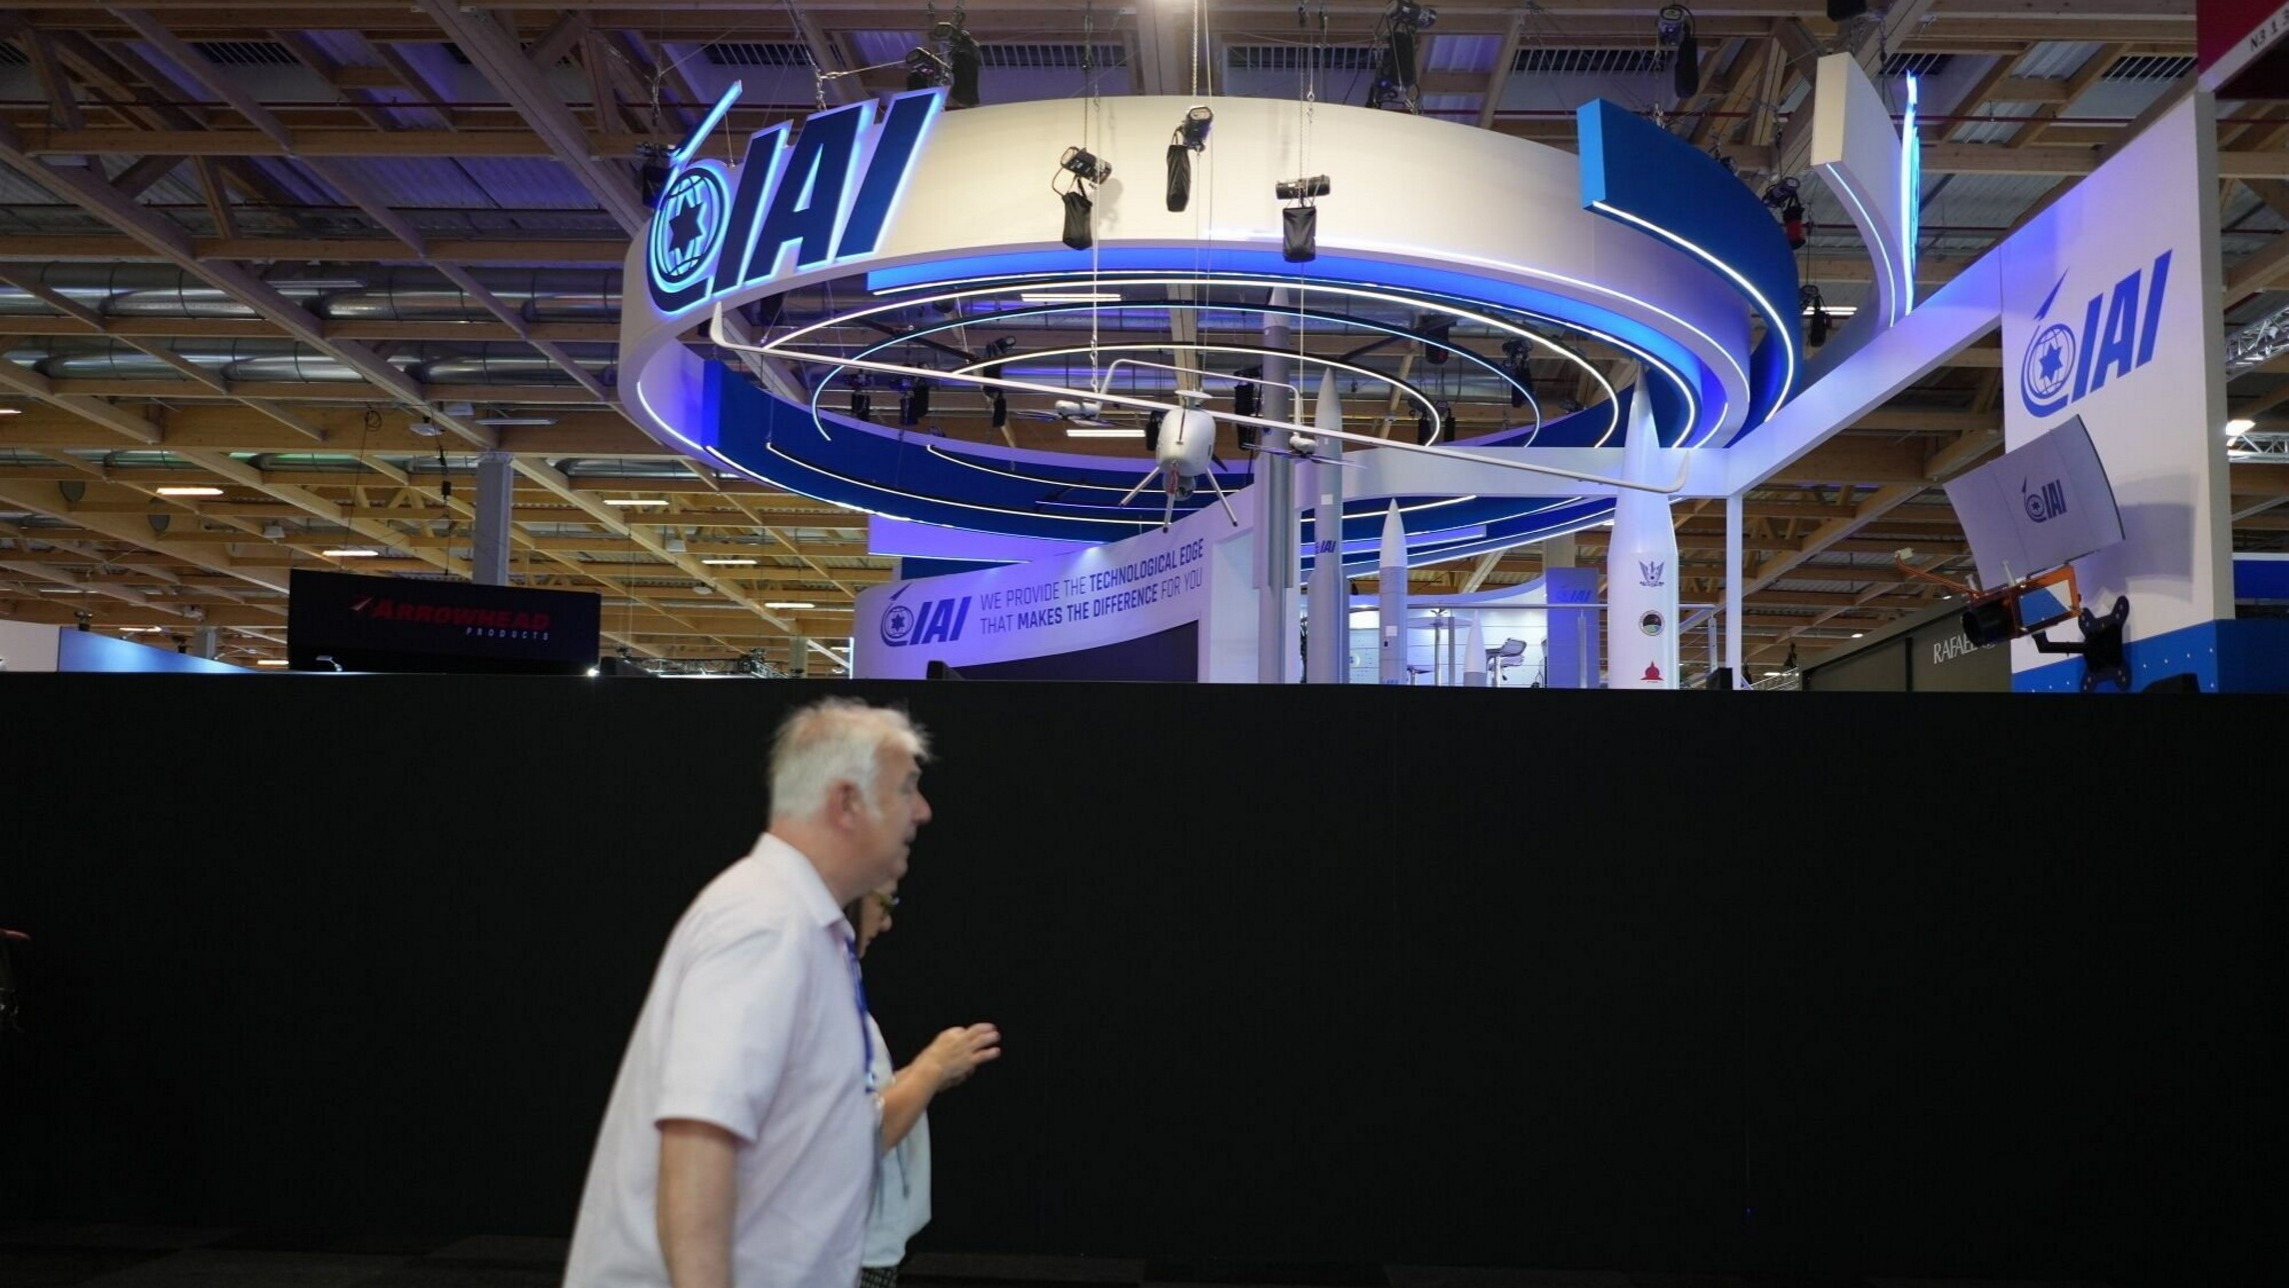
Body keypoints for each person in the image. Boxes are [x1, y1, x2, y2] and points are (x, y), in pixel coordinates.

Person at [565, 698, 934, 1288]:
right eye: (906, 788)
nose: (922, 811)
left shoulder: (804, 928)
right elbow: (699, 1146)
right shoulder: (765, 925)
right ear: (846, 802)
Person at [844, 887, 999, 1288]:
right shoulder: (822, 997)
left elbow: (858, 1106)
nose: (886, 922)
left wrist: (925, 1075)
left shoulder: (838, 986)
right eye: (883, 903)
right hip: (850, 1258)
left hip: (861, 1250)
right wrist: (932, 1067)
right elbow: (860, 1136)